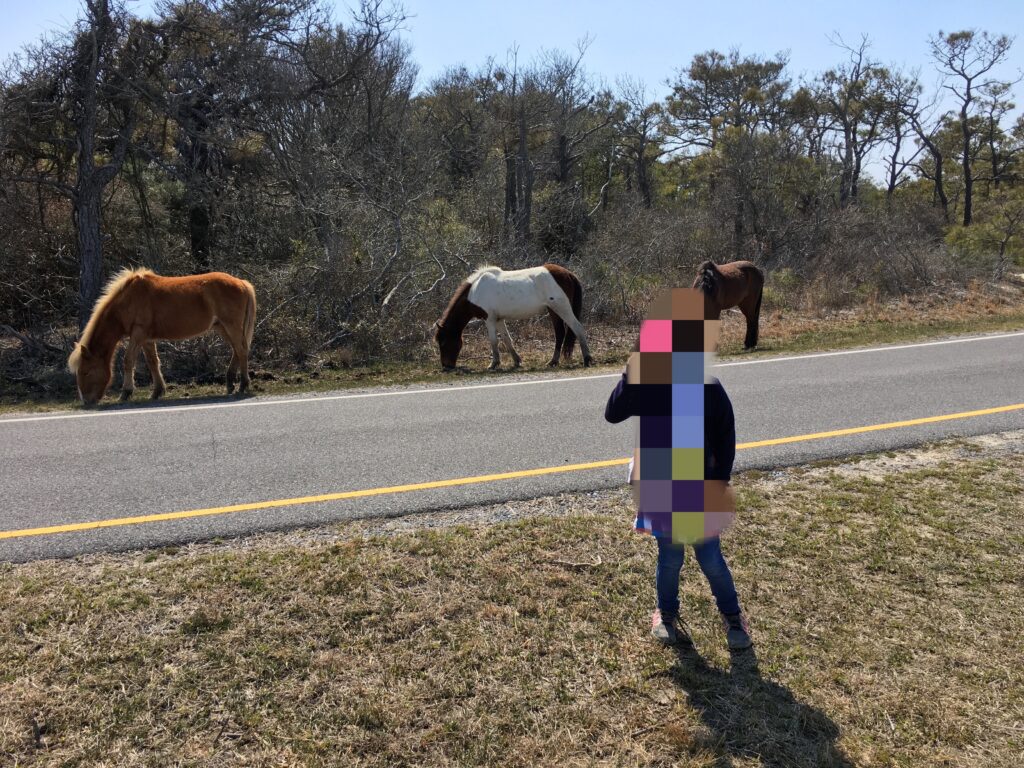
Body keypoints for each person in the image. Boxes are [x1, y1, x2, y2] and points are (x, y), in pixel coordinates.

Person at [604, 288, 752, 650]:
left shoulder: (710, 389)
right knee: (669, 558)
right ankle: (666, 614)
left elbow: (725, 438)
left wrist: (718, 482)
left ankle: (733, 617)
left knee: (710, 557)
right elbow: (613, 413)